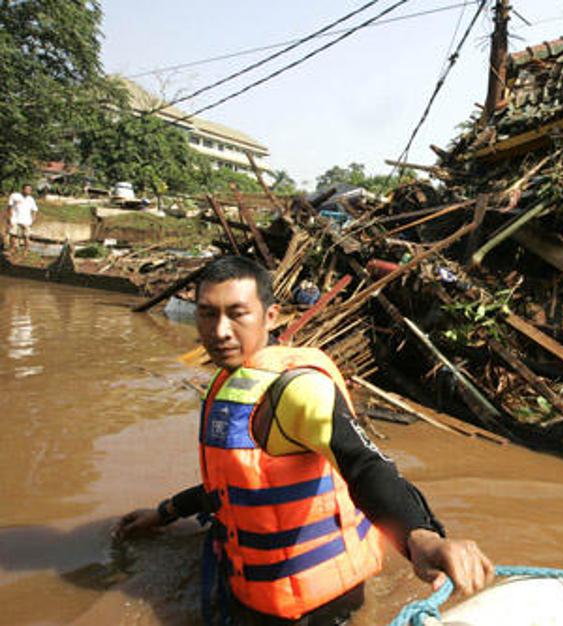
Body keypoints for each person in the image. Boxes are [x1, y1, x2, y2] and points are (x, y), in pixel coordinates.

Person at [113, 256, 494, 625]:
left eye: (237, 314)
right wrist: (164, 512)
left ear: (271, 316)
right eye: (208, 314)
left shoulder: (297, 389)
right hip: (254, 592)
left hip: (317, 609)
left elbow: (364, 463)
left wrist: (421, 536)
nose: (220, 331)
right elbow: (234, 485)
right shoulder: (230, 383)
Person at [7, 184, 38, 253]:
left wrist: (32, 220)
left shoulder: (31, 199)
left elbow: (35, 210)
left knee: (26, 236)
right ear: (22, 189)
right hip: (15, 219)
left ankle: (26, 251)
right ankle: (12, 249)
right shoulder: (15, 196)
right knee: (13, 235)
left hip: (26, 221)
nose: (28, 191)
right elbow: (9, 207)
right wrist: (9, 218)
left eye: (30, 190)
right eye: (27, 189)